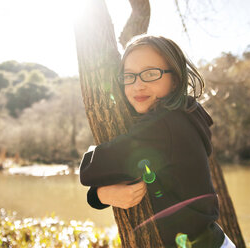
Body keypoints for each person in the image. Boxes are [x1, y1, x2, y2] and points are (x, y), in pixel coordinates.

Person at [79, 35, 235, 248]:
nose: (138, 85)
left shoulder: (164, 126)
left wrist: (98, 190)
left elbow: (91, 170)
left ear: (175, 79)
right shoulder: (188, 114)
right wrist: (101, 195)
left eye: (151, 74)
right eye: (129, 76)